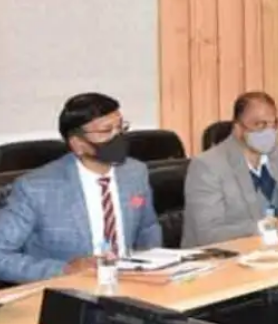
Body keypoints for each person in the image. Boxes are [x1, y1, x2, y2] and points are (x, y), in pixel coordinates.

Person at [0, 93, 161, 283]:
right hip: (68, 291)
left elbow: (147, 228)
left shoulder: (135, 172)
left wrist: (151, 267)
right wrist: (65, 270)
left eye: (120, 127)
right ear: (78, 144)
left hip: (131, 284)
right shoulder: (35, 189)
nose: (117, 137)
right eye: (106, 131)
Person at [183, 91, 278, 247]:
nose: (269, 132)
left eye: (273, 124)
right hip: (222, 255)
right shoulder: (207, 166)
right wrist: (273, 225)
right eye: (260, 125)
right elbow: (208, 235)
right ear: (238, 128)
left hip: (276, 250)